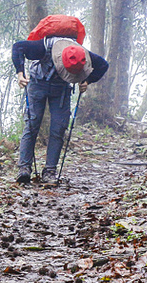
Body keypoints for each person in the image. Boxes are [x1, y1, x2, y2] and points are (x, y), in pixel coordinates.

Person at [12, 34, 108, 183]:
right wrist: (20, 73)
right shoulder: (44, 47)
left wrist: (87, 80)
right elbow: (18, 47)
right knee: (32, 123)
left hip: (62, 89)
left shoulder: (82, 54)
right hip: (37, 83)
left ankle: (50, 171)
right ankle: (24, 169)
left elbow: (103, 65)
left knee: (59, 128)